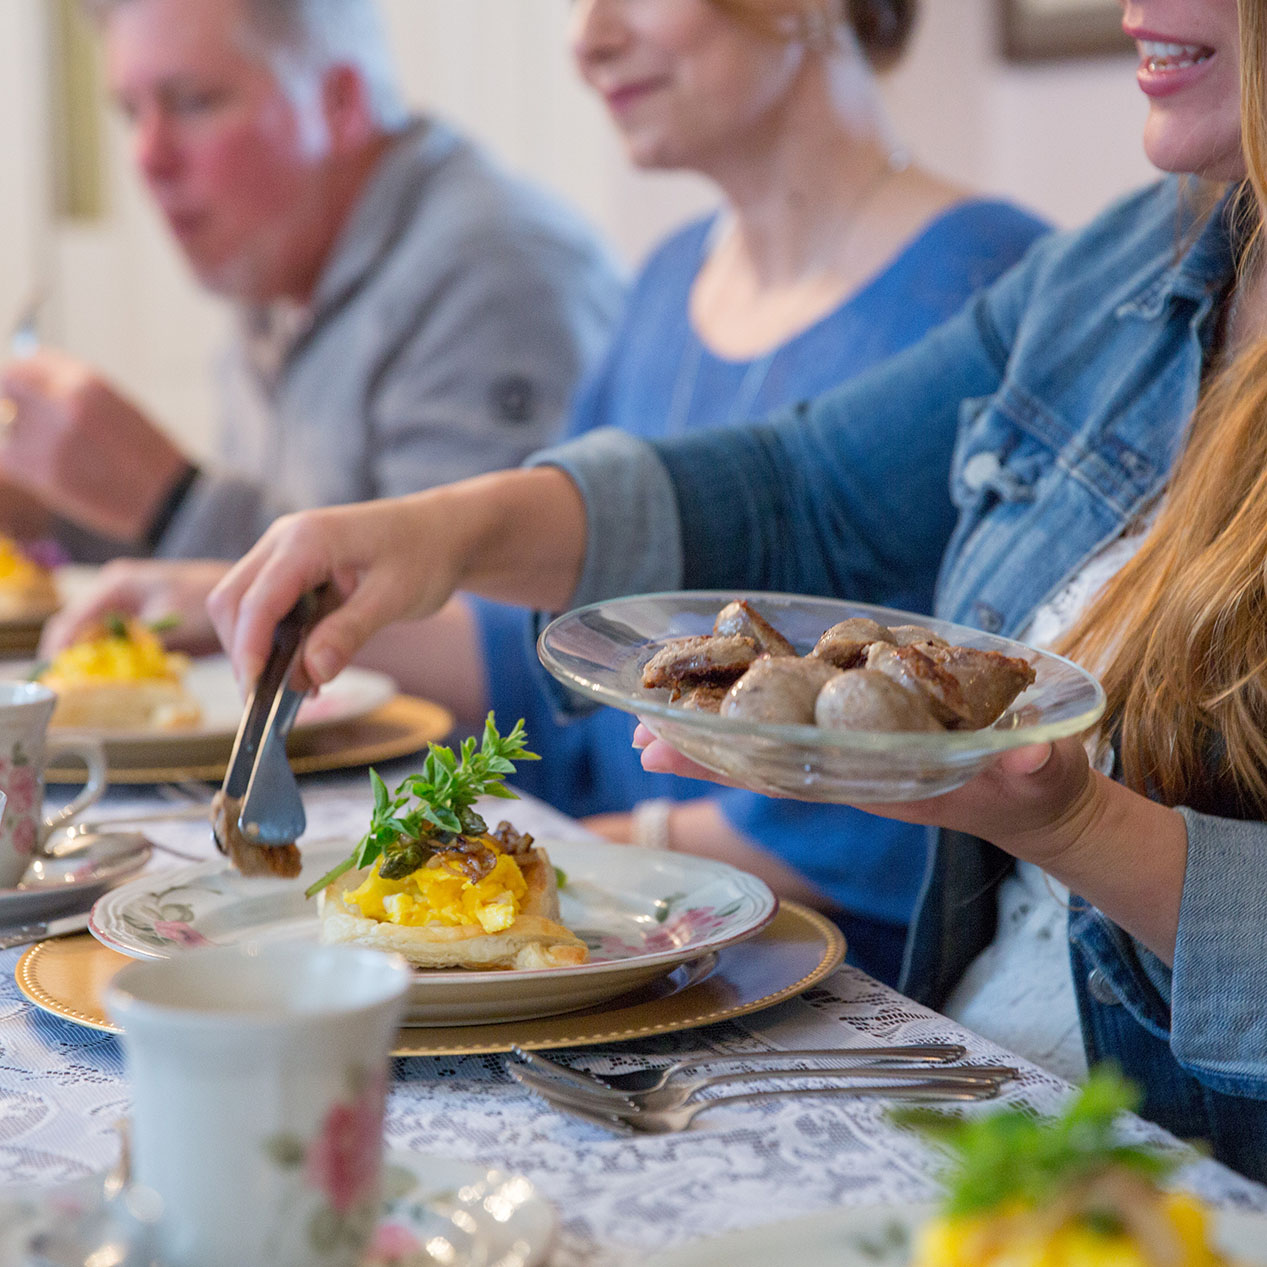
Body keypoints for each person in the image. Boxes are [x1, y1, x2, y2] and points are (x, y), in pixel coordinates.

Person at [205, 0, 1267, 1176]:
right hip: (949, 1078)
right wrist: (440, 530)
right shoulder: (1127, 262)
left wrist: (1077, 827)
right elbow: (807, 488)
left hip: (1160, 1167)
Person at [47, 0, 1048, 987]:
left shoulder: (987, 291)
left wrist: (569, 866)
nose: (588, 36)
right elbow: (538, 661)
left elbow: (926, 788)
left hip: (804, 978)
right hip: (628, 946)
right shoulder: (668, 283)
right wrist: (255, 596)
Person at [0, 0, 621, 560]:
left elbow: (462, 621)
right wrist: (54, 506)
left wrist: (167, 497)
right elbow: (259, 551)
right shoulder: (279, 265)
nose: (146, 157)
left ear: (340, 103)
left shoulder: (493, 279)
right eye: (132, 113)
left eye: (193, 102)